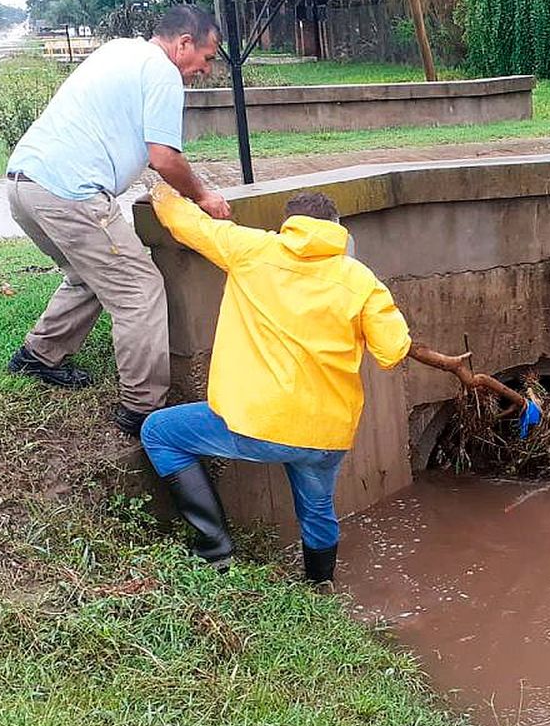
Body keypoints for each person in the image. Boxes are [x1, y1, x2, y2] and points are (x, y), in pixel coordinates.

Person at [139, 185, 497, 583]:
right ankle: (320, 583)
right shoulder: (360, 280)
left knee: (158, 432)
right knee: (317, 509)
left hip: (256, 424)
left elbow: (186, 224)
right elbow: (392, 351)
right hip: (325, 434)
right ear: (337, 230)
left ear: (289, 225)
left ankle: (214, 547)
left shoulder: (250, 249)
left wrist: (161, 192)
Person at [4, 4, 233, 437]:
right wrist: (202, 194)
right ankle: (142, 408)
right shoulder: (162, 72)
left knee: (87, 274)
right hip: (70, 193)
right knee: (139, 290)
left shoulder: (119, 51)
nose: (204, 69)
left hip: (24, 185)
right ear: (184, 43)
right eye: (205, 58)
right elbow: (163, 157)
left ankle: (39, 356)